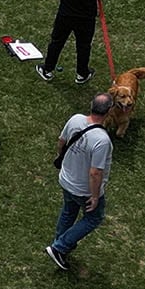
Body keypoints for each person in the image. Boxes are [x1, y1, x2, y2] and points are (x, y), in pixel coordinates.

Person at [44, 94, 114, 271]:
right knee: (93, 218)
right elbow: (95, 172)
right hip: (83, 189)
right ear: (109, 112)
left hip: (66, 179)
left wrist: (60, 158)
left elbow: (62, 142)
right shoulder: (102, 140)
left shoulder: (75, 119)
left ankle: (60, 242)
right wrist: (95, 196)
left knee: (69, 209)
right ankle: (59, 247)